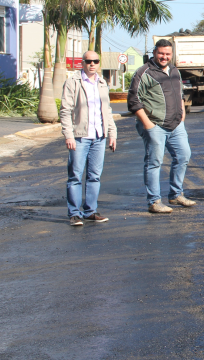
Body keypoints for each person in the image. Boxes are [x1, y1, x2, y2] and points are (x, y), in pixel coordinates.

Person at [127, 39, 195, 214]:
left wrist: (182, 112)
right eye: (161, 53)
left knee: (183, 155)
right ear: (154, 53)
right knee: (154, 162)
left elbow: (180, 92)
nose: (164, 57)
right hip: (155, 125)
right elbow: (133, 101)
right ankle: (154, 201)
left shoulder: (174, 71)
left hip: (176, 124)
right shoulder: (144, 73)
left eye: (168, 54)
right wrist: (148, 124)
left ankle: (176, 194)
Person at [60, 51, 117, 226]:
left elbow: (107, 111)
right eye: (88, 61)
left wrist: (112, 134)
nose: (92, 64)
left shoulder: (101, 83)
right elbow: (65, 110)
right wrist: (68, 135)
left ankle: (90, 211)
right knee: (75, 176)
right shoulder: (73, 82)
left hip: (98, 137)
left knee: (94, 176)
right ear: (82, 63)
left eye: (95, 61)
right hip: (80, 137)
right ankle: (75, 214)